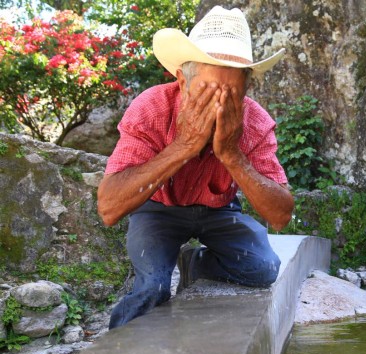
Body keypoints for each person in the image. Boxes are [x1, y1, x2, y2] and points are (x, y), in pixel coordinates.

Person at [97, 6, 294, 330]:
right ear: (181, 80)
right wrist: (183, 146)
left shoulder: (254, 121)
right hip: (158, 208)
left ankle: (197, 263)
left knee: (264, 268)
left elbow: (281, 215)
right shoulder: (151, 108)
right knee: (152, 288)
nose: (218, 106)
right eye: (205, 92)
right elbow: (108, 207)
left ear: (247, 88)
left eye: (230, 95)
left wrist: (231, 154)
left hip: (219, 210)